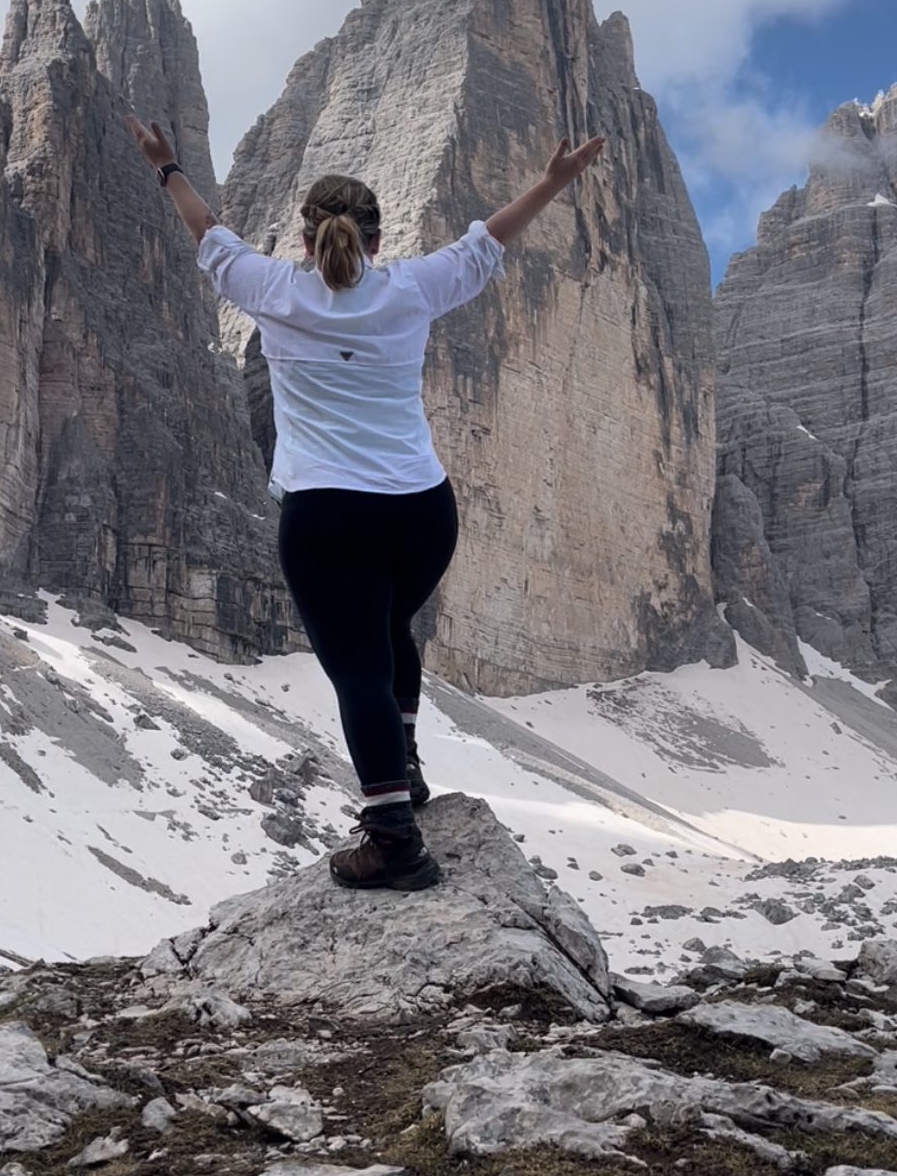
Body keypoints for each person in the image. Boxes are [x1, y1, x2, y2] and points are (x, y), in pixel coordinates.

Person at [129, 114, 605, 892]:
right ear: (377, 242)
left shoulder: (272, 288)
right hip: (423, 513)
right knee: (388, 629)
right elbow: (490, 237)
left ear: (307, 242)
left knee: (357, 671)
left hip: (327, 517)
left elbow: (206, 230)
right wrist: (554, 181)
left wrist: (166, 165)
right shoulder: (412, 286)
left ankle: (393, 839)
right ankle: (405, 768)